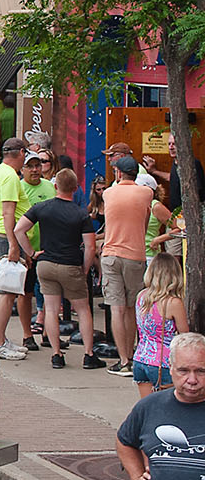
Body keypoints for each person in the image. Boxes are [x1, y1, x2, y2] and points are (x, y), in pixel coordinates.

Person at [118, 333, 205, 480]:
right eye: (184, 371)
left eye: (201, 371)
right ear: (171, 368)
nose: (192, 379)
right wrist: (136, 476)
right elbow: (125, 441)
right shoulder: (150, 407)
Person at [16, 166, 101, 371]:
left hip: (45, 263)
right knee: (83, 310)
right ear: (75, 188)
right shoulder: (81, 214)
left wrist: (32, 253)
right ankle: (89, 354)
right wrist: (85, 267)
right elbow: (90, 246)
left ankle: (56, 354)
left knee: (51, 309)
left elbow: (19, 229)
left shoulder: (42, 208)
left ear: (55, 186)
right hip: (71, 263)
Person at [105, 156, 171, 371]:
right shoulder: (146, 193)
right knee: (133, 307)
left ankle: (123, 359)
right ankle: (134, 353)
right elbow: (144, 222)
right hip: (135, 254)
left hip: (111, 253)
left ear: (118, 173)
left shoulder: (108, 193)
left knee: (117, 308)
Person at [0, 137, 34, 359]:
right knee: (7, 291)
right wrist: (15, 244)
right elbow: (8, 211)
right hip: (6, 237)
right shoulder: (10, 177)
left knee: (0, 288)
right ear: (21, 153)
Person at [135, 252, 190, 396]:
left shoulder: (141, 296)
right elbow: (185, 337)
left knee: (148, 407)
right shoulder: (173, 303)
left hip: (141, 358)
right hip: (163, 362)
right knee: (169, 409)